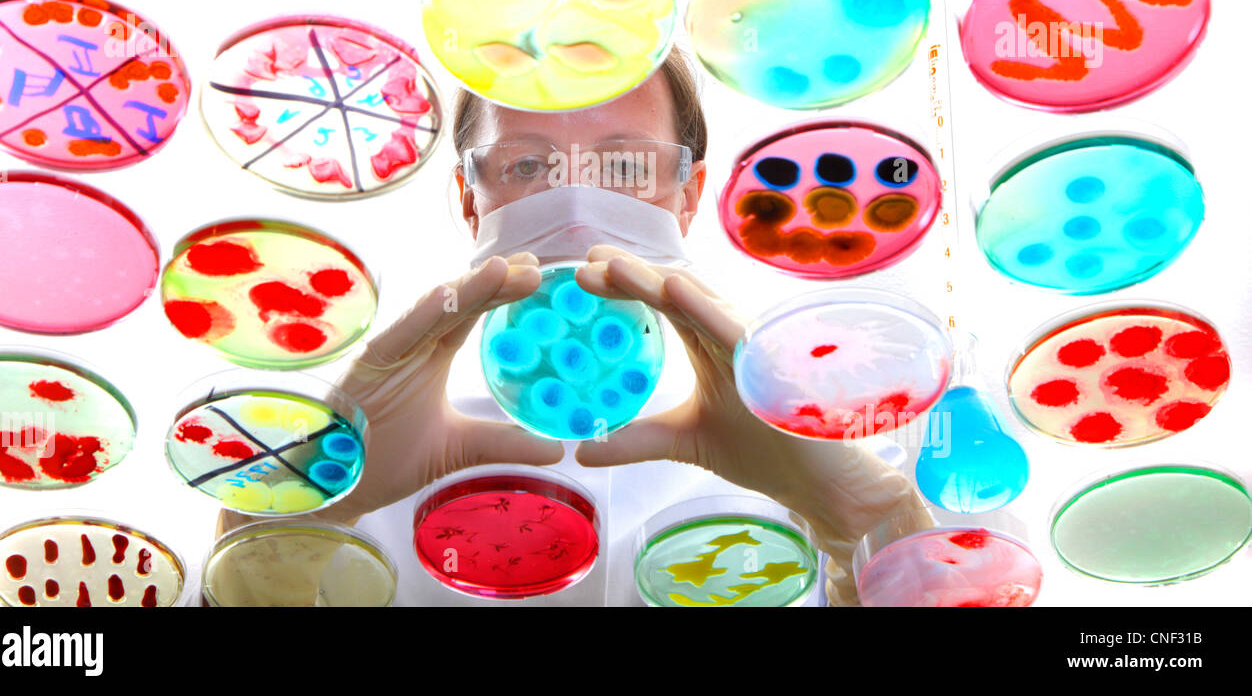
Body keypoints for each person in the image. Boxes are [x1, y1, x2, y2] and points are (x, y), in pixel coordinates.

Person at [216, 45, 927, 606]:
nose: (577, 202)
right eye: (527, 164)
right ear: (471, 203)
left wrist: (868, 521)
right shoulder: (373, 458)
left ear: (687, 198)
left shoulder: (813, 446)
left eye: (624, 164)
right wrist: (292, 516)